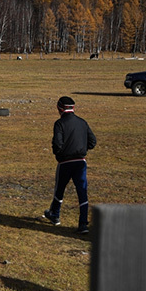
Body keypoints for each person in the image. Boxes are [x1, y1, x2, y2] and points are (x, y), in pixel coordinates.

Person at [42, 96, 97, 235]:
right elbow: (92, 142)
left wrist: (59, 154)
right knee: (82, 192)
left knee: (59, 189)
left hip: (65, 162)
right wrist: (81, 149)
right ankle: (83, 224)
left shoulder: (59, 123)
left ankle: (55, 214)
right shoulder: (82, 122)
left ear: (59, 108)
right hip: (80, 162)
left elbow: (57, 144)